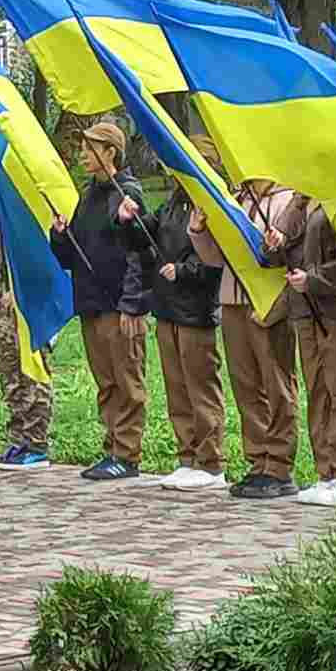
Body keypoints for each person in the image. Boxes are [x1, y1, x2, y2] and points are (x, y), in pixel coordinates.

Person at [121, 141, 225, 491]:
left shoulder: (207, 202)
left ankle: (211, 461)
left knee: (200, 386)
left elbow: (214, 258)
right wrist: (130, 219)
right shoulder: (174, 201)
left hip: (195, 308)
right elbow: (150, 234)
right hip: (166, 306)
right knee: (177, 386)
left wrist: (183, 271)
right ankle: (187, 455)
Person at [191, 176, 298, 501]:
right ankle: (258, 459)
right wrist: (200, 232)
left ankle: (279, 465)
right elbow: (215, 259)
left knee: (276, 383)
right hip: (232, 300)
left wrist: (279, 242)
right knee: (246, 385)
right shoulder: (235, 200)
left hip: (268, 302)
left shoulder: (285, 200)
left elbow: (292, 252)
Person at [51, 120, 147, 481]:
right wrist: (60, 236)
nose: (82, 155)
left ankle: (128, 453)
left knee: (127, 381)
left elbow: (141, 251)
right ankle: (112, 448)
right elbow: (72, 256)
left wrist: (132, 303)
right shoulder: (88, 195)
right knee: (106, 382)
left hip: (118, 304)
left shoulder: (129, 194)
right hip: (91, 302)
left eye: (90, 149)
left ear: (111, 152)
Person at [278, 192, 336, 507]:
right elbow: (281, 241)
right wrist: (297, 203)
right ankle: (327, 472)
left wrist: (315, 280)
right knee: (318, 392)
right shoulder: (305, 201)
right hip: (305, 311)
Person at [0, 189, 53, 471]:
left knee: (33, 371)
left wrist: (20, 290)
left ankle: (36, 443)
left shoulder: (32, 202)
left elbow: (45, 255)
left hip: (29, 300)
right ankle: (18, 439)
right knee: (9, 374)